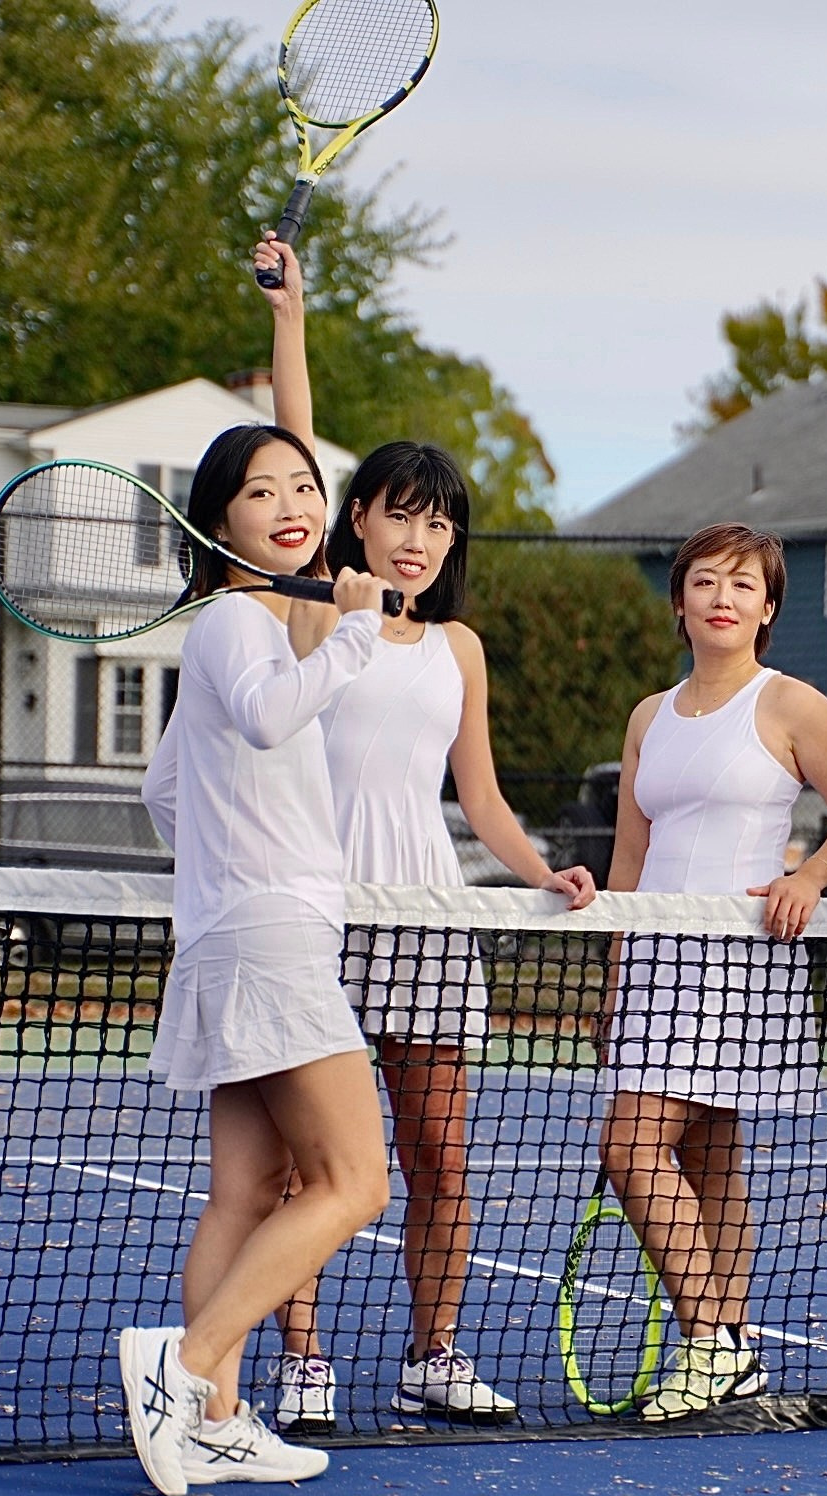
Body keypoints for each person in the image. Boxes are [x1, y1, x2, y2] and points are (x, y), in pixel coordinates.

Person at [251, 232, 597, 1430]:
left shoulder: (460, 649)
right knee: (311, 1168)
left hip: (429, 921)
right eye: (399, 516)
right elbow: (289, 450)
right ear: (355, 521)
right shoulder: (306, 607)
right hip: (316, 916)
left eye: (439, 526)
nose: (418, 539)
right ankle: (301, 1360)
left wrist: (544, 867)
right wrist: (292, 318)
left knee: (441, 1156)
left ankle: (431, 1351)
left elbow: (482, 798)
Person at [118, 420, 394, 1496]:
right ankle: (184, 1368)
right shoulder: (238, 619)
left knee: (247, 1187)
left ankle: (220, 1420)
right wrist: (358, 636)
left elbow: (161, 790)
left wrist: (226, 859)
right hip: (271, 936)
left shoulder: (246, 627)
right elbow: (279, 719)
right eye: (260, 490)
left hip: (237, 929)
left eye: (303, 486)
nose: (291, 503)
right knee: (354, 1179)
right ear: (218, 518)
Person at [602, 522, 827, 1421]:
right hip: (653, 956)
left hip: (740, 961)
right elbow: (628, 854)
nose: (723, 596)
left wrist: (807, 875)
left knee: (630, 1147)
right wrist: (616, 975)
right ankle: (731, 1344)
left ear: (767, 609)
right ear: (679, 599)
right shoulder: (648, 716)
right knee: (707, 1155)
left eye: (744, 585)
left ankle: (714, 1344)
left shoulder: (792, 704)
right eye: (706, 581)